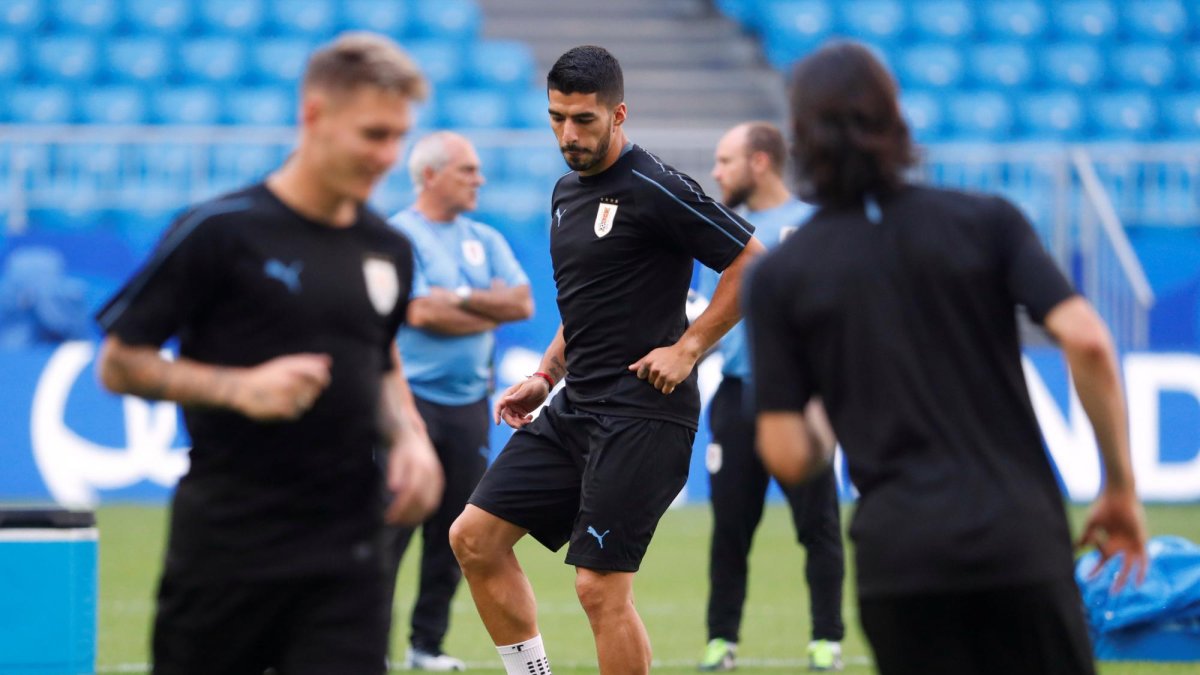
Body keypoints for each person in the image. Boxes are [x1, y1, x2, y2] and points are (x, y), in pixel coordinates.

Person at [745, 41, 1148, 675]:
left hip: (901, 562)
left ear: (800, 138)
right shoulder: (987, 222)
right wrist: (1120, 489)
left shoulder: (780, 276)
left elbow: (792, 453)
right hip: (1019, 542)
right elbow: (1089, 340)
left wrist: (831, 392)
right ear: (895, 119)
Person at [93, 32, 444, 675]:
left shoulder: (387, 248)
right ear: (314, 115)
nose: (388, 156)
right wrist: (239, 389)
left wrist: (409, 436)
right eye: (373, 134)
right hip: (229, 548)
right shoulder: (220, 231)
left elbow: (379, 355)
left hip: (349, 550)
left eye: (398, 137)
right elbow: (119, 362)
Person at [448, 45, 766, 675]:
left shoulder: (657, 187)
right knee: (474, 539)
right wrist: (544, 375)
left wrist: (688, 348)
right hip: (574, 407)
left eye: (584, 120)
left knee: (598, 590)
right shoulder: (566, 193)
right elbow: (587, 306)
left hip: (642, 416)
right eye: (557, 118)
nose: (569, 134)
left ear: (619, 114)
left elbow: (752, 263)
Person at [384, 131, 534, 671]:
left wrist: (463, 298)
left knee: (454, 531)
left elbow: (521, 303)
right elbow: (421, 313)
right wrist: (479, 306)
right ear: (430, 175)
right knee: (391, 526)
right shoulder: (399, 235)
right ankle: (367, 646)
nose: (480, 179)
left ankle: (426, 645)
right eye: (468, 170)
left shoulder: (483, 237)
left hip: (470, 402)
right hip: (410, 403)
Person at [698, 121, 845, 672]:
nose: (716, 172)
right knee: (729, 529)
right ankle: (721, 642)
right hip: (736, 399)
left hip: (802, 400)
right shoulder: (722, 228)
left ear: (759, 162)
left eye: (725, 160)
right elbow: (704, 316)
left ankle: (826, 640)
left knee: (819, 524)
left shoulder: (814, 226)